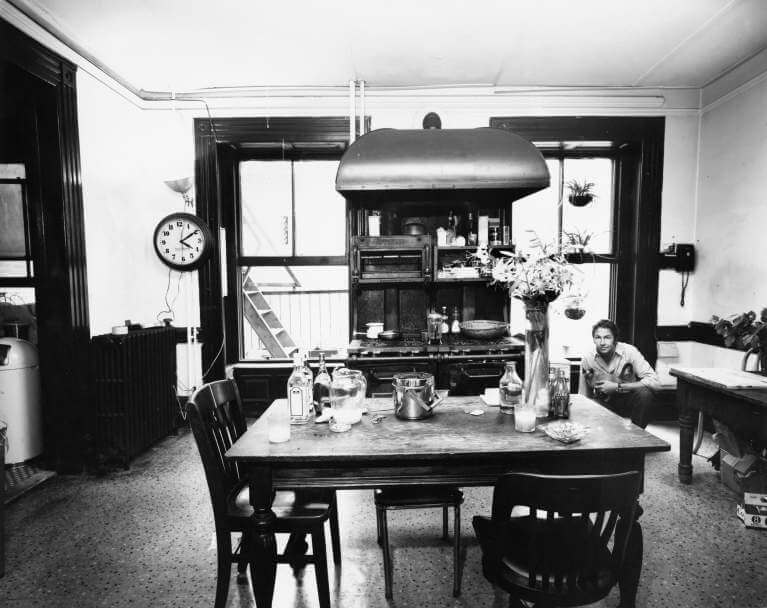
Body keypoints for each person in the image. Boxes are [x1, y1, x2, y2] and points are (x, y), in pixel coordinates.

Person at [579, 319, 659, 429]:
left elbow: (654, 381)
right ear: (593, 339)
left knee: (645, 394)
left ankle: (636, 435)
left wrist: (617, 387)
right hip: (603, 402)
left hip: (629, 398)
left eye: (607, 337)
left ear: (615, 339)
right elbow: (583, 395)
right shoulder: (588, 359)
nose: (602, 342)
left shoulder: (629, 351)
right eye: (598, 337)